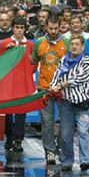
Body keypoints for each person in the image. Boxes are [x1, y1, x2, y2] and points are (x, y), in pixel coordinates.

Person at [49, 34, 89, 172]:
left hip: (83, 103)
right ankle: (67, 161)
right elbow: (56, 75)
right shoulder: (64, 60)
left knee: (82, 132)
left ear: (82, 46)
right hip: (66, 102)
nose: (74, 46)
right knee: (66, 134)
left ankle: (85, 161)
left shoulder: (87, 61)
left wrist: (64, 84)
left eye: (77, 44)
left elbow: (81, 77)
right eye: (72, 44)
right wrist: (53, 86)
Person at [30, 15, 69, 165]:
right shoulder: (39, 42)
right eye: (50, 28)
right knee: (47, 122)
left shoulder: (66, 42)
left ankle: (59, 146)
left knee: (66, 124)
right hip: (45, 88)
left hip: (63, 89)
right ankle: (50, 151)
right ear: (45, 27)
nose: (53, 31)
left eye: (56, 28)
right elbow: (33, 60)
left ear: (60, 27)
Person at [0, 16, 36, 153]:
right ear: (13, 28)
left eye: (22, 28)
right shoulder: (5, 43)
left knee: (21, 112)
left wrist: (27, 73)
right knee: (7, 112)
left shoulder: (30, 45)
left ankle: (18, 139)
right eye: (17, 27)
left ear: (25, 29)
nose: (19, 31)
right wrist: (6, 51)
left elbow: (34, 62)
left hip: (23, 83)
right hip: (8, 83)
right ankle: (9, 136)